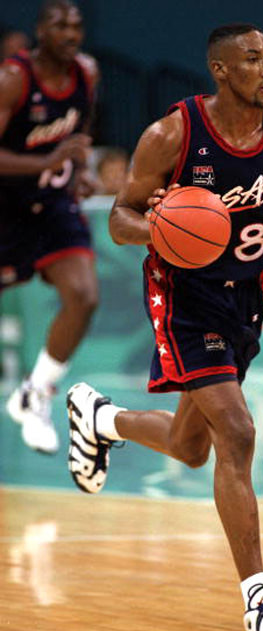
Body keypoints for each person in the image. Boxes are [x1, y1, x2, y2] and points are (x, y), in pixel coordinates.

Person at [67, 23, 263, 631]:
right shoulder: (171, 135)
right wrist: (159, 226)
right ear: (219, 69)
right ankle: (260, 605)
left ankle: (102, 419)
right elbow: (119, 215)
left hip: (244, 298)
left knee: (190, 446)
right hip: (184, 297)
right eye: (252, 60)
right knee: (236, 433)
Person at [1, 0, 99, 453]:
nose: (70, 33)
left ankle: (35, 393)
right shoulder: (14, 79)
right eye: (60, 25)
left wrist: (81, 172)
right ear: (41, 29)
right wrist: (46, 160)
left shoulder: (88, 73)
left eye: (77, 26)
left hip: (54, 204)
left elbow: (80, 134)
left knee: (83, 295)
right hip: (6, 207)